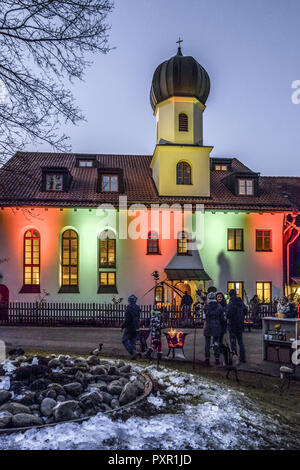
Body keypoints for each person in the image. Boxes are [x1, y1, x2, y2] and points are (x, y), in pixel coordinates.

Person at [226, 289, 247, 363]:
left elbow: (228, 314)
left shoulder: (231, 303)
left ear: (230, 294)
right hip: (240, 324)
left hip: (232, 325)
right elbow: (246, 311)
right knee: (240, 342)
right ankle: (243, 358)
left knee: (233, 342)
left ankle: (235, 358)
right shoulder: (240, 302)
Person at [203, 292, 224, 366]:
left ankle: (207, 358)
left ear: (209, 298)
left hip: (208, 326)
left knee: (207, 343)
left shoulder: (206, 306)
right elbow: (222, 318)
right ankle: (217, 359)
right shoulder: (219, 306)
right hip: (216, 326)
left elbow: (204, 316)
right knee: (216, 343)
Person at [121, 294, 140, 359]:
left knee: (124, 340)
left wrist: (122, 326)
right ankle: (134, 356)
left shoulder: (128, 308)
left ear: (129, 301)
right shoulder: (137, 308)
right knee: (133, 342)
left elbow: (127, 320)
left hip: (129, 327)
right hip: (136, 327)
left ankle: (132, 351)